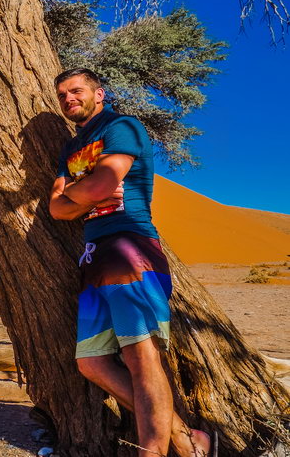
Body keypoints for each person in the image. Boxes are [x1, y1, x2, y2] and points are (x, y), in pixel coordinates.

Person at [48, 68, 213, 457]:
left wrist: (78, 193)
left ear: (99, 93)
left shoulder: (122, 126)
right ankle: (188, 440)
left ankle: (151, 452)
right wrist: (83, 192)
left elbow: (103, 184)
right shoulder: (71, 150)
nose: (69, 98)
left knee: (141, 357)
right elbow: (56, 209)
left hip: (130, 249)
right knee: (91, 362)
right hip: (92, 257)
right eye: (62, 95)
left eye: (76, 91)